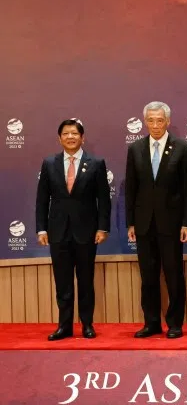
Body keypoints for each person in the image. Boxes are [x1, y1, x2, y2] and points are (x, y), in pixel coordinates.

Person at [125, 101, 187, 339]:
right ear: (145, 122)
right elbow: (131, 189)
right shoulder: (135, 149)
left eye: (160, 120)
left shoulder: (183, 148)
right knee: (148, 275)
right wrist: (131, 223)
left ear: (167, 121)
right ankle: (151, 322)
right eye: (151, 120)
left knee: (174, 274)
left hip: (172, 224)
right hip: (144, 223)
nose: (155, 125)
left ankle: (175, 324)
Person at [36, 119, 111, 340]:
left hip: (87, 232)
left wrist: (103, 228)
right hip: (57, 232)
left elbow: (103, 200)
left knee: (86, 280)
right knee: (63, 282)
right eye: (66, 134)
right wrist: (41, 229)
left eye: (74, 133)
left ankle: (87, 324)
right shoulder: (49, 163)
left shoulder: (96, 163)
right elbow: (42, 200)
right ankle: (64, 326)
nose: (70, 137)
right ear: (60, 138)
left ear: (82, 137)